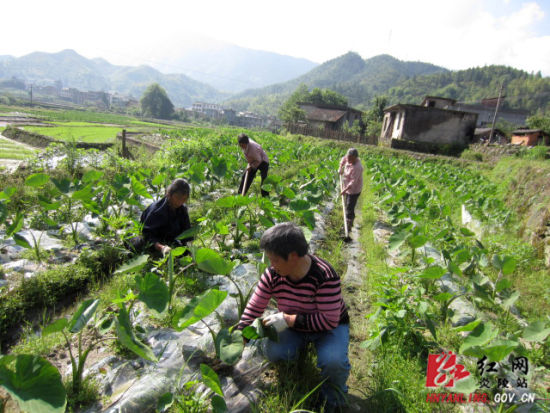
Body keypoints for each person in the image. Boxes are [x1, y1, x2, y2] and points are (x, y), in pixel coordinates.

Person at [237, 222, 350, 410]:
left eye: (275, 260)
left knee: (333, 362)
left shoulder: (324, 275)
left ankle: (334, 401)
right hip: (294, 325)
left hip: (329, 327)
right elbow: (255, 306)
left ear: (293, 256)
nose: (271, 265)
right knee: (276, 353)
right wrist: (241, 335)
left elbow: (329, 320)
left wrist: (288, 319)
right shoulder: (273, 274)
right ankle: (297, 370)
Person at [136, 178, 192, 256]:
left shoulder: (182, 210)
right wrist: (162, 248)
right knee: (139, 244)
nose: (180, 202)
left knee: (185, 253)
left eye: (184, 199)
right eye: (177, 198)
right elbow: (147, 235)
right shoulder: (157, 210)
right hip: (156, 240)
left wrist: (190, 248)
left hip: (170, 239)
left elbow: (187, 233)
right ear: (169, 194)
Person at [338, 148, 363, 232]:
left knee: (350, 205)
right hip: (347, 186)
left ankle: (349, 224)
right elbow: (344, 159)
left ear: (355, 158)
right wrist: (340, 167)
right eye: (348, 157)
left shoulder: (358, 167)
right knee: (347, 204)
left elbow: (353, 182)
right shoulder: (348, 157)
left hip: (354, 189)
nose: (348, 160)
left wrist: (344, 190)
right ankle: (348, 220)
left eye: (350, 159)